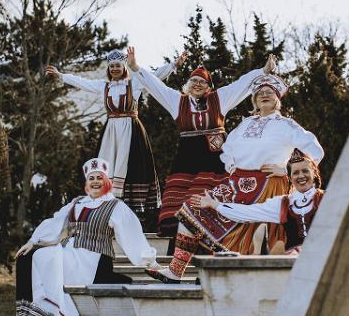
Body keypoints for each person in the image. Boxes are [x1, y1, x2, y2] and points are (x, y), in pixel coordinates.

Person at [145, 75, 324, 283]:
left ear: (278, 99)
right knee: (191, 210)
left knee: (249, 233)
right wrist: (230, 165)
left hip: (267, 184)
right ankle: (176, 271)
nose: (264, 95)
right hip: (237, 181)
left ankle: (222, 274)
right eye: (259, 93)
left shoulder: (287, 125)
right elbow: (227, 148)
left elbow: (315, 150)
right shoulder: (246, 123)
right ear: (254, 100)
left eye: (269, 92)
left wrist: (286, 169)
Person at [127, 48, 277, 238]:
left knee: (210, 201)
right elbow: (156, 86)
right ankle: (180, 245)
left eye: (202, 81)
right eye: (194, 81)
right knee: (179, 203)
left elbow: (241, 84)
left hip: (214, 160)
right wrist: (135, 68)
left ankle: (212, 242)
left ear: (208, 86)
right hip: (187, 160)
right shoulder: (177, 101)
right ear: (188, 85)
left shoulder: (219, 99)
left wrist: (262, 71)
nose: (198, 84)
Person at [45, 48, 186, 223]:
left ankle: (127, 217)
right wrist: (61, 75)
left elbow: (155, 77)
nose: (114, 69)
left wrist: (173, 65)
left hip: (131, 130)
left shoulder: (135, 83)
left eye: (118, 66)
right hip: (111, 132)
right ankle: (107, 209)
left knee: (127, 168)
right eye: (111, 67)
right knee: (108, 166)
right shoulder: (105, 86)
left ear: (124, 66)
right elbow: (82, 82)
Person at [15, 158, 159, 316]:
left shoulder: (115, 205)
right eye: (91, 178)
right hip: (70, 254)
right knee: (26, 258)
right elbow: (55, 222)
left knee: (37, 259)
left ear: (106, 181)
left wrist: (149, 262)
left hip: (95, 258)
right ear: (87, 182)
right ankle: (31, 312)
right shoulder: (77, 202)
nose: (95, 182)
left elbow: (132, 235)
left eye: (99, 178)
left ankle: (49, 310)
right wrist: (33, 241)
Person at [192, 149, 324, 255]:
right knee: (282, 250)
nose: (301, 176)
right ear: (290, 177)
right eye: (295, 173)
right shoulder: (283, 204)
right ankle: (263, 252)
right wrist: (214, 204)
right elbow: (247, 212)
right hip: (292, 264)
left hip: (323, 257)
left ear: (314, 174)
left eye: (305, 171)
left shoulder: (326, 199)